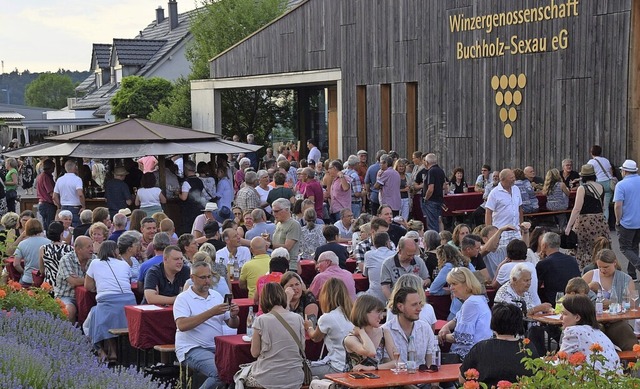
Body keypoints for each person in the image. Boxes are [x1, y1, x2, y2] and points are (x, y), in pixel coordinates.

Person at [174, 261, 240, 389]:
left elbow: (233, 325)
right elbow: (181, 325)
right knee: (220, 373)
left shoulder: (216, 296)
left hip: (217, 347)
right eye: (203, 277)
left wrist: (233, 315)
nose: (207, 281)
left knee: (236, 371)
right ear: (192, 278)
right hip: (192, 348)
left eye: (209, 277)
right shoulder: (183, 298)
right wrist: (211, 312)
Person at [459, 303, 539, 387]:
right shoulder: (528, 347)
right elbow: (537, 376)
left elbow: (462, 378)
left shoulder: (481, 347)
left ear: (493, 323)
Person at [84, 241, 136, 363]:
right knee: (99, 314)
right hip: (129, 301)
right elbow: (127, 282)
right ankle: (111, 352)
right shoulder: (124, 264)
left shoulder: (95, 263)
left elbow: (88, 286)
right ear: (114, 251)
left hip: (108, 301)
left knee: (96, 316)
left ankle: (101, 351)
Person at [245, 282, 304, 389]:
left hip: (268, 378)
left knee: (240, 377)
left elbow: (254, 353)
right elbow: (302, 348)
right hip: (295, 377)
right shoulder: (298, 318)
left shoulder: (261, 320)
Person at [582, 249, 637, 350]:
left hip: (616, 321)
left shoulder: (626, 279)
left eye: (606, 267)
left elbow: (632, 306)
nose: (603, 270)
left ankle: (632, 362)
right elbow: (575, 295)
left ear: (614, 263)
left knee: (630, 342)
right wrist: (589, 288)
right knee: (596, 336)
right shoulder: (590, 275)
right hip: (593, 321)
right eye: (599, 267)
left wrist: (614, 304)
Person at [494, 264, 553, 353]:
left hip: (529, 331)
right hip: (512, 334)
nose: (529, 283)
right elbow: (513, 316)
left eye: (530, 280)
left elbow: (529, 311)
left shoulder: (525, 292)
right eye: (525, 280)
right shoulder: (505, 293)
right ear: (514, 280)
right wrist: (537, 309)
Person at [437, 267, 492, 359]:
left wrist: (441, 337)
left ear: (467, 284)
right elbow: (457, 318)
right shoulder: (477, 298)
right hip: (481, 352)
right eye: (450, 284)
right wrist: (445, 327)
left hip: (471, 357)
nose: (451, 288)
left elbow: (462, 338)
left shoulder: (471, 303)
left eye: (454, 284)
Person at [559, 294, 621, 373]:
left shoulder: (573, 332)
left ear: (577, 317)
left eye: (564, 314)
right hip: (615, 380)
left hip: (594, 381)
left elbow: (562, 361)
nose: (560, 317)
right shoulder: (598, 332)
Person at [305, 278, 354, 377]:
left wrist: (309, 327)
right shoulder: (352, 313)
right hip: (351, 365)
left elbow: (315, 338)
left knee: (296, 372)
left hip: (337, 367)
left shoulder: (327, 318)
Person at [565, 164, 609, 270]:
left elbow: (577, 209)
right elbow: (602, 206)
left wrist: (569, 226)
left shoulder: (582, 188)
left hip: (585, 222)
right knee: (598, 247)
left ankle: (585, 271)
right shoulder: (601, 187)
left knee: (582, 248)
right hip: (600, 221)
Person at [383, 287, 438, 369]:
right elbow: (387, 366)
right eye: (414, 305)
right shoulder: (385, 330)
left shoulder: (425, 328)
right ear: (400, 307)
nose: (419, 309)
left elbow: (432, 365)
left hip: (422, 380)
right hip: (397, 380)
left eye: (419, 303)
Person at [344, 294, 397, 372]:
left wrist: (375, 367)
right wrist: (361, 332)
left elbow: (397, 362)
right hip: (355, 381)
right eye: (378, 312)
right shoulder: (350, 339)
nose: (381, 317)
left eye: (382, 312)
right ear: (364, 312)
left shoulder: (384, 332)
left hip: (379, 381)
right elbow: (371, 352)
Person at [54, 236, 95, 322]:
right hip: (67, 296)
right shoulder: (66, 259)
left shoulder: (94, 259)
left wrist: (80, 280)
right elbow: (73, 282)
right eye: (88, 247)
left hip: (90, 296)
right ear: (78, 249)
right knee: (69, 310)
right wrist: (91, 280)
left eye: (92, 246)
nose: (92, 250)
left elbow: (101, 278)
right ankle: (70, 334)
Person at [536, 232, 581, 304]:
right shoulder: (571, 260)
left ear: (544, 245)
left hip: (552, 303)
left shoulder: (543, 264)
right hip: (573, 300)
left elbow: (536, 286)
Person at [492, 240, 540, 306]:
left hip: (519, 307)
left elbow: (494, 286)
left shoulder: (505, 267)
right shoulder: (531, 265)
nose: (529, 283)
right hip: (536, 303)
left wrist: (499, 266)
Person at [613, 159, 640, 280]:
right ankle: (632, 273)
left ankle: (636, 268)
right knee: (634, 247)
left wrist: (618, 220)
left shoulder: (621, 184)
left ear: (624, 171)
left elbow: (618, 205)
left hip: (627, 221)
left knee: (624, 248)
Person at [485, 169, 523, 246]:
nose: (514, 179)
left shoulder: (516, 189)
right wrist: (490, 232)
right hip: (501, 232)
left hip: (516, 230)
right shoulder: (494, 193)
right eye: (511, 178)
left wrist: (521, 226)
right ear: (503, 179)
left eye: (514, 177)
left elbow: (520, 208)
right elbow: (488, 212)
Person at [13, 219, 51, 287]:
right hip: (44, 280)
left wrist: (24, 272)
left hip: (28, 279)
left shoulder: (22, 244)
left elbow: (16, 264)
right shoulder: (49, 242)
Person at [39, 221, 74, 288]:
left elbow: (42, 270)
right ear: (62, 233)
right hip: (65, 286)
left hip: (48, 285)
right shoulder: (70, 249)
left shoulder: (43, 249)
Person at [363, 232, 396, 303]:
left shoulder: (368, 255)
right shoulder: (395, 255)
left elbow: (365, 274)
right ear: (387, 243)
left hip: (375, 296)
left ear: (374, 244)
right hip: (392, 295)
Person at [270, 198, 302, 270]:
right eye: (273, 211)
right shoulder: (278, 223)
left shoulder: (294, 224)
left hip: (289, 266)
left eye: (276, 211)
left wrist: (269, 245)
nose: (274, 214)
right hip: (277, 265)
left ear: (287, 210)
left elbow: (287, 247)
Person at [587, 145, 616, 223]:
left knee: (598, 205)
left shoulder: (591, 162)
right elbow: (611, 172)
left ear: (591, 153)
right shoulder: (606, 160)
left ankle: (598, 224)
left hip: (599, 184)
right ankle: (605, 224)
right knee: (605, 206)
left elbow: (589, 174)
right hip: (608, 183)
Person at [53, 160, 85, 227]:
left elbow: (54, 196)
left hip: (64, 206)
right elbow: (80, 194)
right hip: (75, 207)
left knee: (64, 227)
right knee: (76, 227)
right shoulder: (77, 179)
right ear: (75, 168)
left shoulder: (60, 180)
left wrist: (59, 205)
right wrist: (83, 206)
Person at [422, 153, 446, 232]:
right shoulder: (441, 171)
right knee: (439, 220)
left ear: (427, 162)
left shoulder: (431, 171)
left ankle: (433, 241)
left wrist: (426, 198)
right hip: (439, 200)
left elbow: (431, 188)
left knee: (432, 223)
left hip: (431, 201)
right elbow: (444, 186)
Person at [179, 160, 205, 235]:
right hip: (198, 207)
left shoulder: (186, 182)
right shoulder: (199, 181)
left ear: (186, 169)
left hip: (188, 210)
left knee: (189, 228)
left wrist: (178, 194)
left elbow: (184, 197)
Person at [36, 159, 57, 229]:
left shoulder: (41, 176)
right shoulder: (45, 177)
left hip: (43, 203)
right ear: (50, 167)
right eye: (53, 167)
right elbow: (51, 192)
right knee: (49, 226)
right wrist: (58, 203)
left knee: (46, 225)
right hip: (47, 204)